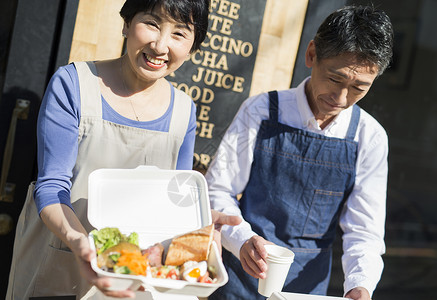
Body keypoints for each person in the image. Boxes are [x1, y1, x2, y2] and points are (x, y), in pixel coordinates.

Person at [6, 0, 240, 299]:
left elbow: (175, 202)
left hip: (136, 279)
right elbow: (52, 186)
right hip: (60, 259)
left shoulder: (184, 111)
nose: (160, 45)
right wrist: (81, 242)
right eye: (152, 24)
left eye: (179, 33)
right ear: (127, 23)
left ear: (193, 47)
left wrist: (200, 227)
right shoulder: (74, 84)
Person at [205, 5, 394, 300]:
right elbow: (218, 189)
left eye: (359, 88)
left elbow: (364, 231)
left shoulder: (369, 137)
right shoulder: (261, 111)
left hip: (307, 290)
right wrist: (241, 239)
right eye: (335, 79)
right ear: (311, 54)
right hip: (240, 278)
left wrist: (360, 285)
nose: (342, 98)